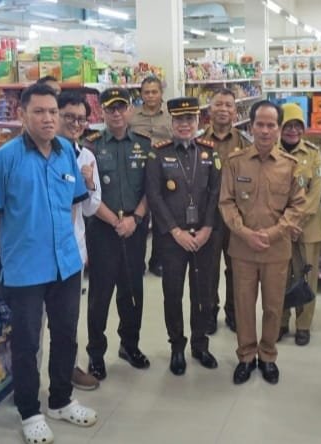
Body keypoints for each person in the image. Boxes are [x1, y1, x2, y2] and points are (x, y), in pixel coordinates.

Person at [0, 83, 97, 444]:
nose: (48, 119)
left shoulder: (65, 153)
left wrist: (65, 244)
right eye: (39, 111)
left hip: (66, 265)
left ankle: (61, 400)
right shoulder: (4, 159)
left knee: (65, 335)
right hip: (25, 269)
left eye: (53, 112)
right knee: (27, 342)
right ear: (22, 115)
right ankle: (29, 411)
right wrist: (11, 248)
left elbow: (73, 203)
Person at [219, 101, 306, 385]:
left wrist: (273, 233)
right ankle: (246, 356)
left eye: (271, 125)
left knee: (273, 307)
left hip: (276, 250)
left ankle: (267, 355)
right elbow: (226, 202)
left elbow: (297, 206)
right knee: (244, 306)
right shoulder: (236, 162)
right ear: (251, 126)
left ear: (279, 129)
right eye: (260, 124)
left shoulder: (290, 166)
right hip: (242, 250)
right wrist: (244, 233)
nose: (265, 131)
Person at [144, 97, 221, 375]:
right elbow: (154, 196)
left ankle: (200, 344)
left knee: (203, 293)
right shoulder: (157, 155)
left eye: (190, 119)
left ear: (198, 121)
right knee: (173, 294)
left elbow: (215, 193)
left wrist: (207, 228)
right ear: (172, 122)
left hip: (203, 237)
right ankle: (177, 347)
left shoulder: (210, 153)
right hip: (172, 239)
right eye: (179, 119)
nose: (184, 124)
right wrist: (176, 231)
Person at [83, 88, 152, 381]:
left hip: (135, 228)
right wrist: (116, 222)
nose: (116, 113)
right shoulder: (90, 146)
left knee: (133, 291)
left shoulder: (145, 145)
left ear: (130, 110)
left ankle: (130, 345)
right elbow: (88, 193)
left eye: (121, 107)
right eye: (110, 108)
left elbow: (151, 189)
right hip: (103, 230)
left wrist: (135, 219)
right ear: (102, 112)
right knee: (100, 295)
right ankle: (96, 354)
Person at [56, 91, 101, 391]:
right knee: (33, 322)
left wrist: (89, 183)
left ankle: (68, 369)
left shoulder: (86, 157)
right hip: (39, 252)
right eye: (69, 117)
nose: (75, 124)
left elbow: (91, 208)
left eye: (81, 119)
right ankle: (28, 380)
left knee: (67, 318)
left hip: (72, 250)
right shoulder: (37, 155)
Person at [201, 88, 252, 334]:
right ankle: (209, 312)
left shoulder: (244, 143)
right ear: (209, 110)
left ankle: (233, 312)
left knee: (237, 268)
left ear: (235, 111)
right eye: (218, 104)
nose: (223, 109)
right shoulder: (198, 141)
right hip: (208, 216)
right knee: (208, 269)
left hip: (236, 216)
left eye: (228, 105)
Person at [276, 103, 321, 346]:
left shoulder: (313, 153)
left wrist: (295, 222)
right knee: (280, 277)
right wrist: (285, 225)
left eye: (298, 125)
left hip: (308, 227)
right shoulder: (271, 151)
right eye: (288, 125)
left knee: (307, 277)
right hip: (278, 228)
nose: (293, 130)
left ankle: (303, 325)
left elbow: (315, 194)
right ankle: (280, 322)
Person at [129, 77, 173, 277]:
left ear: (161, 93)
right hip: (138, 172)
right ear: (141, 94)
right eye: (146, 92)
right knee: (139, 217)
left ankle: (158, 260)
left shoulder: (171, 116)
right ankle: (137, 262)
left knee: (162, 218)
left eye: (154, 92)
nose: (150, 96)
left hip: (164, 172)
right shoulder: (132, 117)